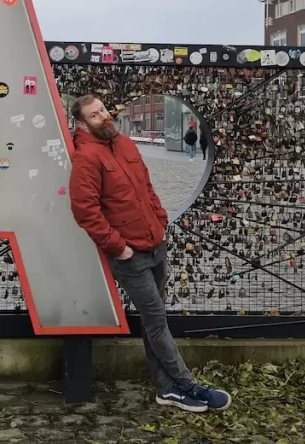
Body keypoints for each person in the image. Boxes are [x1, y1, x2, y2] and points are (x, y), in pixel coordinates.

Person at [67, 95, 231, 414]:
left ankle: (165, 389)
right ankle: (187, 387)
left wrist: (161, 221)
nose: (102, 116)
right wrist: (119, 247)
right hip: (130, 256)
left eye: (103, 110)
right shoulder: (86, 157)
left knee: (154, 322)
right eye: (94, 115)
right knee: (156, 322)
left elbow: (147, 186)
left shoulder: (125, 143)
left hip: (155, 244)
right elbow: (85, 212)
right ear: (82, 124)